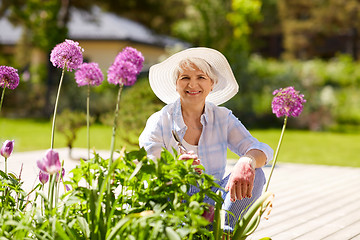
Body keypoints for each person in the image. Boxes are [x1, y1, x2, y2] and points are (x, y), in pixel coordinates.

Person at [139, 47, 273, 231]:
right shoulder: (160, 120)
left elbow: (262, 150)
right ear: (176, 85)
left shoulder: (222, 117)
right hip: (175, 199)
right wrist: (175, 168)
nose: (192, 85)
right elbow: (148, 169)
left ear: (212, 84)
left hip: (213, 198)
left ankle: (226, 231)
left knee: (255, 173)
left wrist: (247, 160)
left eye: (201, 77)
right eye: (185, 78)